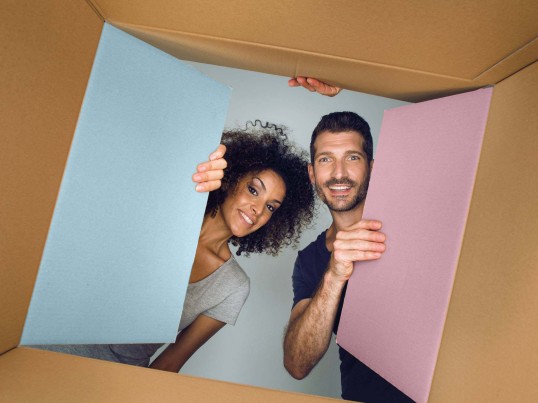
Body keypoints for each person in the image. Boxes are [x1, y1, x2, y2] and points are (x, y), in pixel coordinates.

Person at [33, 122, 315, 373]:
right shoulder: (161, 215)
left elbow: (170, 363)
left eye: (270, 207)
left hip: (117, 379)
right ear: (230, 180)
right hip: (48, 347)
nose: (257, 210)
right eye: (253, 190)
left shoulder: (233, 286)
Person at [282, 111, 414, 402]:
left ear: (372, 168)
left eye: (352, 158)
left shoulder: (415, 227)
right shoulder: (309, 260)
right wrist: (334, 274)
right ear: (312, 173)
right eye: (326, 159)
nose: (339, 173)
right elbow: (296, 363)